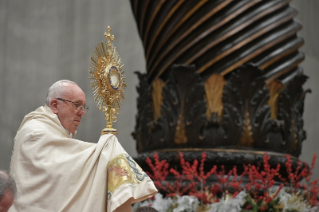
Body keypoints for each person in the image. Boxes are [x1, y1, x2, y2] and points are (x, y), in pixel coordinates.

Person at [9, 80, 157, 212]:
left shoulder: (54, 132)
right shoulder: (34, 131)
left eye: (83, 107)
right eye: (77, 105)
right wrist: (105, 150)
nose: (82, 113)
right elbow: (56, 171)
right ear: (55, 105)